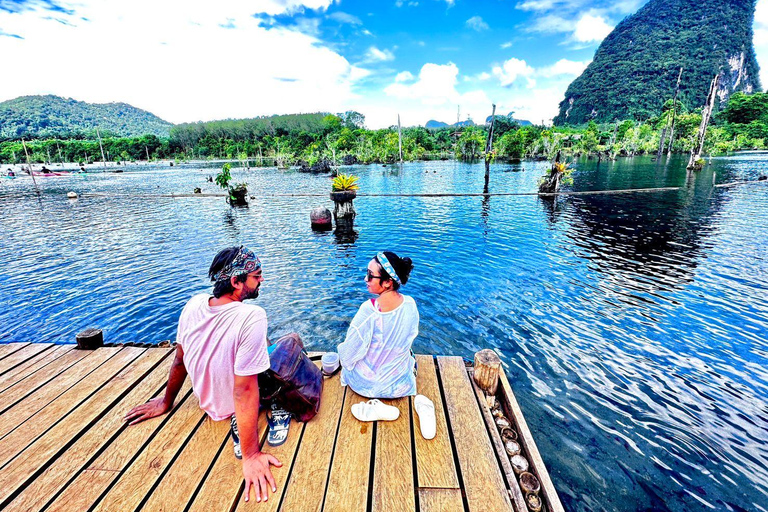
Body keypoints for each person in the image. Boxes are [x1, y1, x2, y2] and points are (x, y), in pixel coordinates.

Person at [124, 246, 281, 504]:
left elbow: (179, 359)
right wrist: (251, 454)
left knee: (261, 344)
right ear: (235, 281)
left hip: (208, 403)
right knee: (292, 343)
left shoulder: (194, 303)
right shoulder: (252, 316)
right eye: (256, 275)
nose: (261, 279)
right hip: (235, 405)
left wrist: (166, 402)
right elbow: (244, 390)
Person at [337, 251, 418, 398]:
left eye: (370, 275)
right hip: (399, 384)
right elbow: (409, 337)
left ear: (388, 282)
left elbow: (347, 356)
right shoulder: (410, 304)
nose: (365, 279)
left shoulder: (369, 310)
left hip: (367, 386)